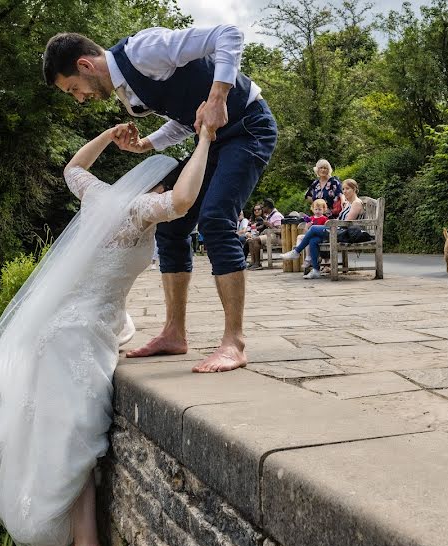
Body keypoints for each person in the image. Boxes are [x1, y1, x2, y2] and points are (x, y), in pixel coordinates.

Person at [0, 124, 213, 546]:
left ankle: (85, 544)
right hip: (77, 336)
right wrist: (205, 141)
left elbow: (73, 167)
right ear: (155, 185)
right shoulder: (138, 210)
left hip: (60, 329)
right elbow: (181, 201)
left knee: (62, 436)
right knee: (76, 437)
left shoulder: (99, 199)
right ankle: (84, 545)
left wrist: (106, 135)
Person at [42, 26, 278, 373]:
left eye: (74, 88)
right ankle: (173, 333)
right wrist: (146, 144)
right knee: (170, 226)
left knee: (214, 220)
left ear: (85, 65)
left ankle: (234, 343)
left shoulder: (144, 50)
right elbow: (186, 119)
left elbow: (228, 35)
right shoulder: (129, 94)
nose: (80, 98)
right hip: (211, 138)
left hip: (247, 128)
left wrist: (217, 99)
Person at [282, 179, 367, 279]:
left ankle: (296, 252)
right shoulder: (348, 203)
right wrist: (332, 222)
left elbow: (347, 223)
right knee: (313, 241)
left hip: (345, 234)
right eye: (343, 189)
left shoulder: (356, 203)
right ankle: (316, 271)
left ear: (354, 189)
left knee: (313, 228)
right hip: (339, 230)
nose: (344, 191)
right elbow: (341, 220)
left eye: (347, 189)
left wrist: (331, 224)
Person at [246, 198, 283, 269]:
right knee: (250, 240)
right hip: (270, 235)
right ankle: (253, 262)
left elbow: (280, 231)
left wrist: (269, 225)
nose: (262, 209)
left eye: (263, 207)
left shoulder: (276, 215)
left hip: (277, 237)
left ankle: (257, 264)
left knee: (256, 240)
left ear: (267, 207)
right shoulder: (270, 215)